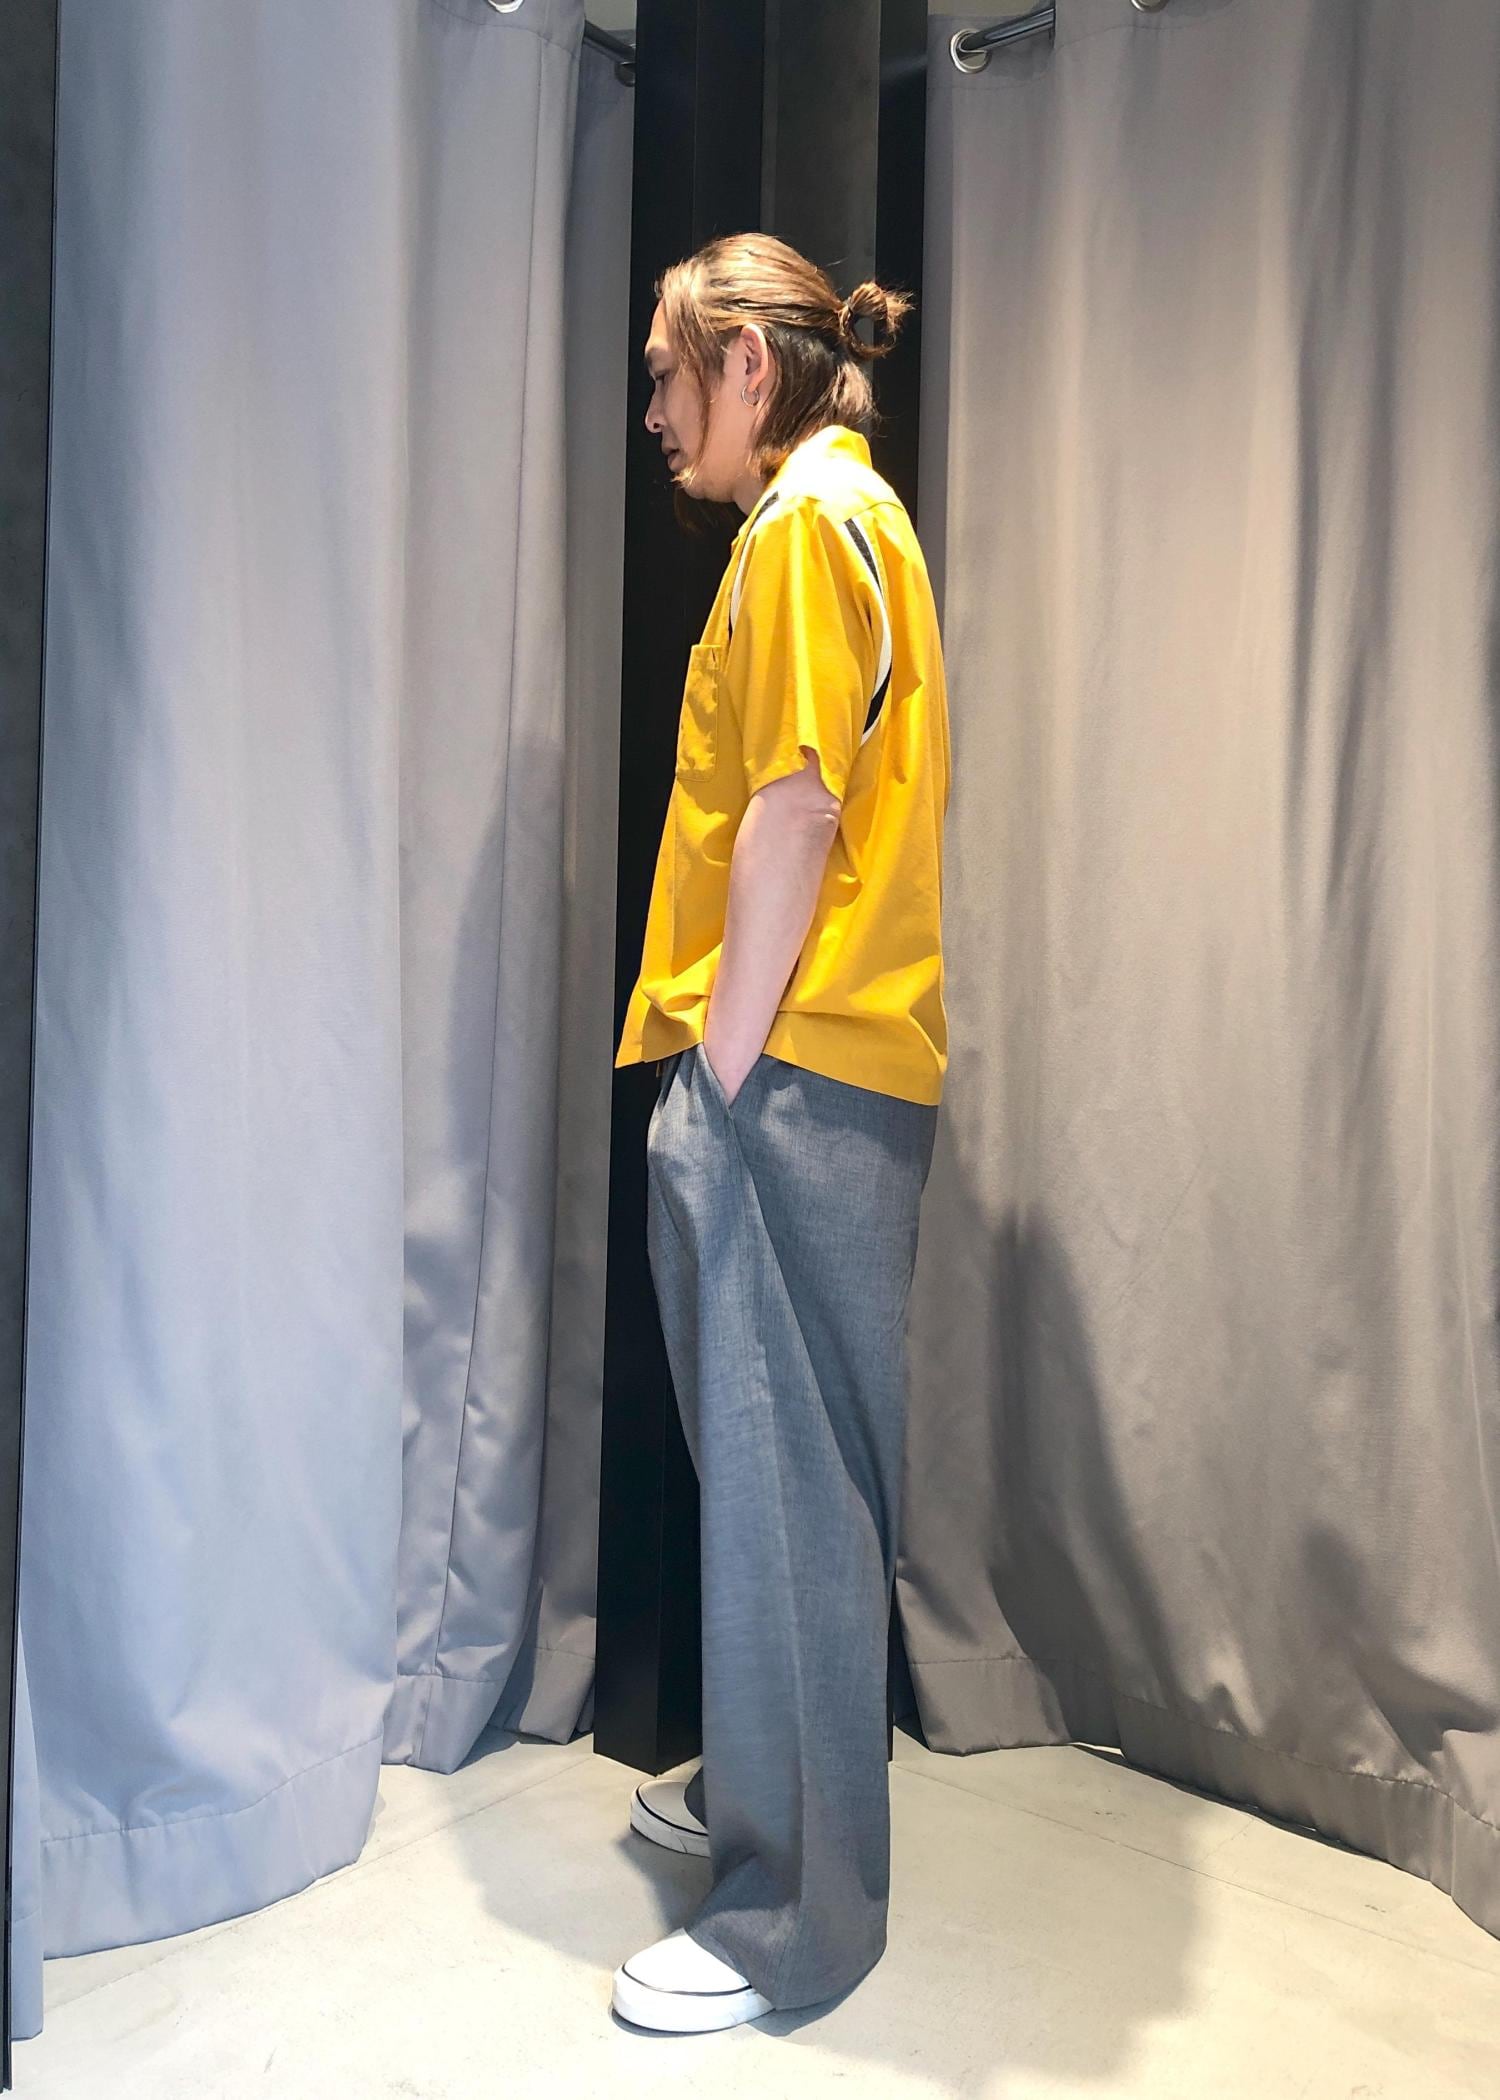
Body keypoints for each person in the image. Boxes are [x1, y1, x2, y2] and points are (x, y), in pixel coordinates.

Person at [609, 232, 951, 2035]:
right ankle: (774, 1799)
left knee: (787, 1488)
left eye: (671, 374)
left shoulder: (809, 525)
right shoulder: (845, 515)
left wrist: (724, 1077)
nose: (658, 414)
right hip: (826, 1068)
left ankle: (788, 1922)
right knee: (789, 1480)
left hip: (794, 1073)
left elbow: (795, 806)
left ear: (750, 362)